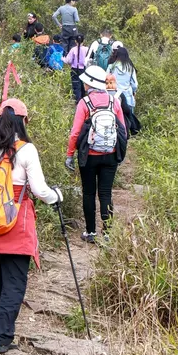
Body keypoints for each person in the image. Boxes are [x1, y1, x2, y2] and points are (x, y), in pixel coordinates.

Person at [0, 99, 61, 354]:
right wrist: (56, 197)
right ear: (23, 121)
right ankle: (2, 337)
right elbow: (39, 190)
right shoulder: (26, 150)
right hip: (16, 218)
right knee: (15, 281)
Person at [65, 67, 127, 244]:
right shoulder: (113, 101)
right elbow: (122, 130)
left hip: (89, 155)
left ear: (89, 84)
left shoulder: (84, 103)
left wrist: (70, 155)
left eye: (85, 81)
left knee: (89, 193)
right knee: (106, 193)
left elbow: (75, 133)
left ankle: (90, 232)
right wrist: (120, 153)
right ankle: (107, 234)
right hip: (110, 153)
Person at [107, 46, 140, 135]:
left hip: (115, 95)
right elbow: (134, 84)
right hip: (127, 94)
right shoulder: (130, 68)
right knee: (129, 114)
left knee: (116, 115)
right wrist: (134, 91)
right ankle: (129, 131)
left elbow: (107, 80)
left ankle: (117, 132)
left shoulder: (111, 67)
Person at [63, 33, 88, 102]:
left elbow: (68, 60)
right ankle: (83, 99)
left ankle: (78, 100)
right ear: (83, 41)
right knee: (83, 84)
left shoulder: (73, 49)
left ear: (75, 41)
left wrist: (63, 59)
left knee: (76, 85)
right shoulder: (86, 49)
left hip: (74, 69)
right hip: (83, 69)